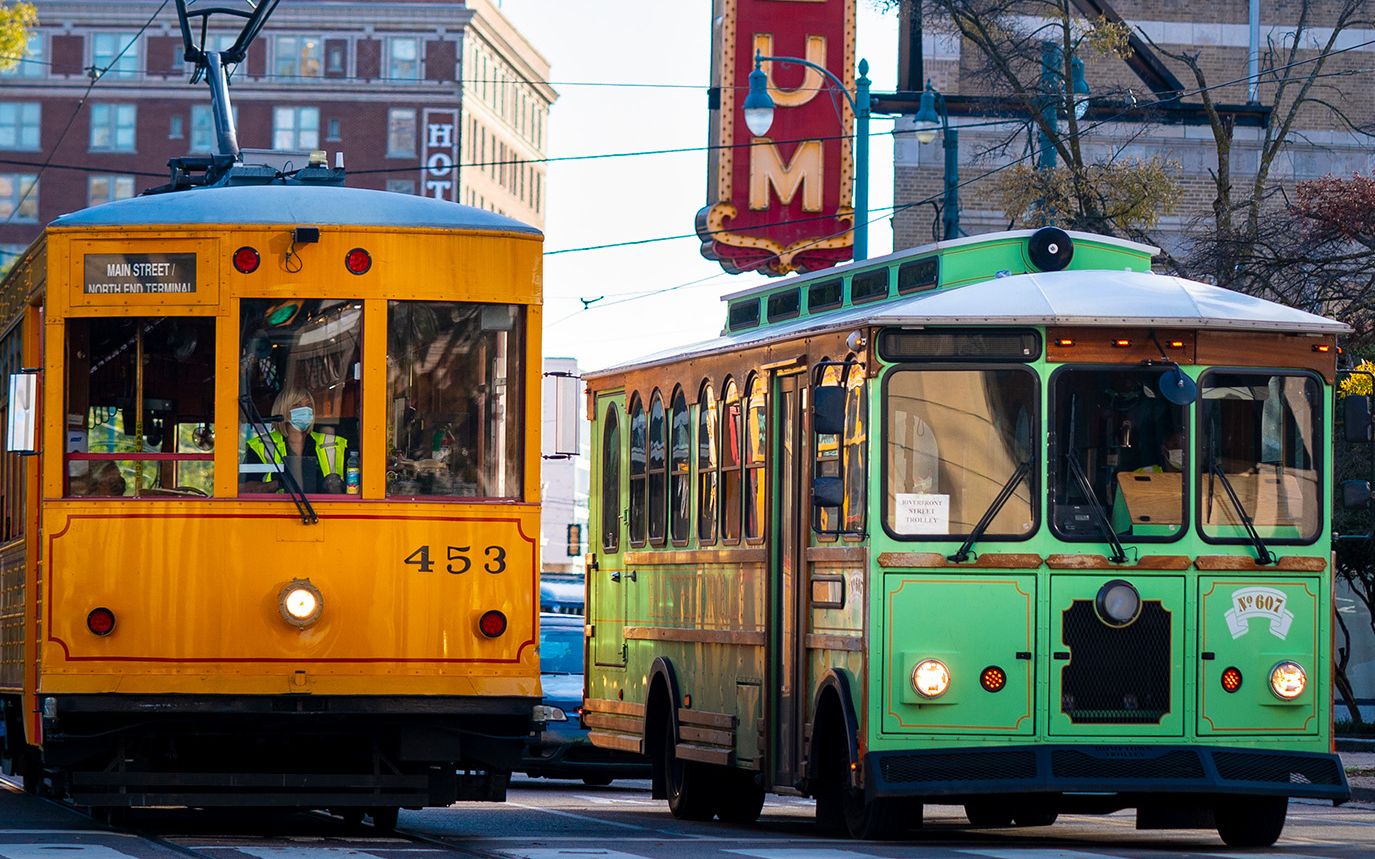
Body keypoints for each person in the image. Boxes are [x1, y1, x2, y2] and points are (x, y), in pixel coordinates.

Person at [241, 387, 348, 493]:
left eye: (309, 405)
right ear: (282, 410)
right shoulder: (262, 445)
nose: (305, 409)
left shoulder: (334, 444)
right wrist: (276, 484)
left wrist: (334, 486)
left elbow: (354, 486)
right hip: (275, 508)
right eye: (297, 405)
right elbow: (243, 489)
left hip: (326, 509)